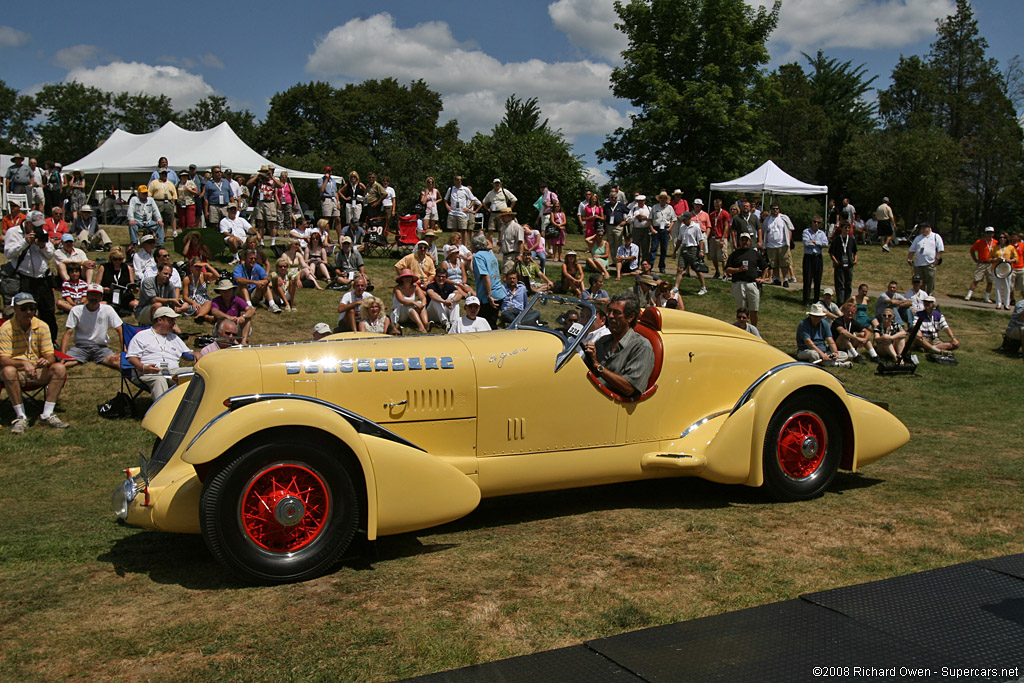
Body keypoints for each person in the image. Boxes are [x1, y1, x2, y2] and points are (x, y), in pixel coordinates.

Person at [1, 292, 70, 432]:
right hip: (17, 373)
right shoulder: (6, 328)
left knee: (59, 368)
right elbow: (3, 359)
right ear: (15, 309)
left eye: (32, 308)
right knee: (8, 371)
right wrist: (23, 364)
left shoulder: (42, 326)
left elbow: (50, 355)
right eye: (24, 308)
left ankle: (47, 414)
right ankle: (20, 417)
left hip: (37, 371)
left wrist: (46, 360)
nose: (28, 312)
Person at [582, 292, 655, 399]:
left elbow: (629, 388)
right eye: (609, 311)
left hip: (615, 406)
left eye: (616, 313)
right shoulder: (602, 341)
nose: (610, 316)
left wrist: (598, 366)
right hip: (590, 397)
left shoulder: (642, 346)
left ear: (630, 317)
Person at [4, 210, 58, 342]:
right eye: (35, 225)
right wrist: (25, 242)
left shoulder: (43, 233)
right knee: (26, 312)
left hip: (43, 279)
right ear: (27, 223)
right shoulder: (14, 232)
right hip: (25, 279)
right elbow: (9, 253)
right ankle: (25, 340)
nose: (38, 228)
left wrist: (42, 246)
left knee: (48, 312)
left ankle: (51, 341)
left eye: (40, 225)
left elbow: (51, 254)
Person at [125, 306, 192, 400]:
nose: (174, 323)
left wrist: (196, 354)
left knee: (197, 372)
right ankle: (164, 412)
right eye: (171, 320)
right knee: (159, 380)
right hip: (151, 371)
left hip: (172, 371)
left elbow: (188, 354)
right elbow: (131, 357)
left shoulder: (174, 337)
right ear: (160, 320)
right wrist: (143, 368)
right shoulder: (142, 336)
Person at [60, 283, 123, 369]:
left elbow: (120, 330)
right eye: (91, 294)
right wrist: (62, 356)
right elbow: (67, 333)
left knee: (119, 363)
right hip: (80, 347)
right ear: (87, 296)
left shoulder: (107, 309)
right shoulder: (76, 310)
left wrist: (124, 352)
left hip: (101, 348)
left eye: (96, 295)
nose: (93, 297)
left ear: (101, 297)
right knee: (61, 366)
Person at [725, 233, 769, 328]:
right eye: (742, 240)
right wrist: (739, 270)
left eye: (746, 240)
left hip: (752, 284)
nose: (744, 242)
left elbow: (765, 267)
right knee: (742, 310)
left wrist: (763, 278)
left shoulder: (755, 253)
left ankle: (753, 330)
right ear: (739, 241)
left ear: (750, 241)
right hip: (738, 284)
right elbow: (727, 269)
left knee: (754, 309)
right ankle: (743, 329)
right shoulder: (735, 254)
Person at [472, 233, 504, 328]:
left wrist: (489, 295)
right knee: (492, 323)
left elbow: (485, 276)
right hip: (499, 293)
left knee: (484, 324)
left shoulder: (478, 256)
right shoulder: (491, 255)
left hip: (488, 297)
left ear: (474, 245)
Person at [672, 212, 707, 296]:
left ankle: (703, 287)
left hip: (693, 249)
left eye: (684, 219)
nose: (683, 221)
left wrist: (701, 250)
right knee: (680, 269)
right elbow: (679, 239)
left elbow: (700, 240)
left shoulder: (695, 227)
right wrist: (675, 250)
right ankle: (676, 287)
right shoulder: (682, 227)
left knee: (696, 269)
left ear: (689, 218)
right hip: (684, 248)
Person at [210, 279, 255, 344]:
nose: (227, 293)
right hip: (222, 328)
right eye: (224, 291)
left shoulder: (237, 299)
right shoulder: (216, 301)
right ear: (220, 292)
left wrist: (243, 317)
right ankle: (230, 340)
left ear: (232, 291)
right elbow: (214, 311)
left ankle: (243, 341)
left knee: (247, 318)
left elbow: (251, 310)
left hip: (235, 327)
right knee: (220, 319)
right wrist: (228, 317)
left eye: (229, 290)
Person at [247, 165, 282, 243]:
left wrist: (271, 176)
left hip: (270, 202)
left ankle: (273, 242)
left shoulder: (273, 180)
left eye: (266, 172)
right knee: (260, 223)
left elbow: (280, 185)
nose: (265, 174)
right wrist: (258, 176)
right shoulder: (259, 180)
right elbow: (248, 183)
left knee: (272, 223)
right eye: (263, 172)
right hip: (260, 202)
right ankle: (261, 242)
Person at [762, 203, 796, 286]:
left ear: (779, 210)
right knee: (774, 264)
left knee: (784, 263)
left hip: (782, 244)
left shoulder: (784, 218)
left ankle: (785, 279)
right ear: (771, 210)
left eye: (777, 209)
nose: (775, 210)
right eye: (773, 209)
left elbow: (790, 229)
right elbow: (764, 231)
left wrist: (789, 242)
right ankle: (777, 279)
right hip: (771, 245)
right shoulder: (767, 220)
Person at [98, 246, 136, 315]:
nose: (117, 261)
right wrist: (104, 289)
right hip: (109, 296)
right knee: (101, 305)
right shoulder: (103, 267)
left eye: (120, 259)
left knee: (136, 304)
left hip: (124, 296)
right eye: (115, 259)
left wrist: (134, 289)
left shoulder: (127, 268)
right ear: (111, 258)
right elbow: (97, 285)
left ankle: (119, 309)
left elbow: (131, 284)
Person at [907, 222, 944, 294]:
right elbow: (912, 249)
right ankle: (921, 295)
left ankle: (930, 296)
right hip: (918, 264)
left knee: (930, 281)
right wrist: (909, 258)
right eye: (922, 228)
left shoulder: (935, 236)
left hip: (929, 263)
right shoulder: (918, 238)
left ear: (929, 228)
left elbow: (940, 249)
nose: (923, 230)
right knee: (920, 282)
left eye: (925, 228)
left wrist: (937, 258)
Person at [801, 216, 829, 306]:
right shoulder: (806, 231)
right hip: (808, 257)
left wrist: (815, 242)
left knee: (817, 280)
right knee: (807, 279)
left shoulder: (822, 233)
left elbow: (826, 244)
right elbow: (806, 243)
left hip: (818, 257)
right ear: (812, 222)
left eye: (818, 223)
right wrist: (818, 243)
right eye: (814, 222)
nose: (816, 224)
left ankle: (816, 300)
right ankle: (806, 300)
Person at [444, 174, 479, 243]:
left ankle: (464, 246)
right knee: (454, 230)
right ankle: (454, 244)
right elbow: (445, 199)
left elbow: (473, 199)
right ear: (454, 181)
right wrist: (447, 206)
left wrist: (468, 208)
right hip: (453, 212)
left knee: (463, 230)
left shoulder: (465, 189)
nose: (459, 181)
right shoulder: (451, 189)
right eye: (457, 179)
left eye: (460, 180)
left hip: (462, 213)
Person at [481, 179, 518, 245]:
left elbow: (514, 199)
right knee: (490, 229)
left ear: (500, 184)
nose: (497, 185)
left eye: (498, 183)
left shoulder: (504, 191)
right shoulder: (490, 193)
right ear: (493, 184)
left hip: (502, 213)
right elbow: (484, 202)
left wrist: (510, 208)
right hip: (493, 213)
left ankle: (501, 244)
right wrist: (488, 209)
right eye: (496, 183)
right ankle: (491, 244)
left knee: (501, 229)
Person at [391, 269, 429, 334]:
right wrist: (414, 303)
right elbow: (401, 300)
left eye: (409, 277)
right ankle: (421, 327)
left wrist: (422, 304)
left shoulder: (415, 287)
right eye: (405, 277)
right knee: (409, 307)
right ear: (402, 279)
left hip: (410, 313)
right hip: (400, 313)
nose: (407, 279)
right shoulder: (397, 288)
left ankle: (425, 323)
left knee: (420, 303)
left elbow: (423, 298)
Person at [829, 220, 858, 304]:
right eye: (846, 228)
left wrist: (855, 260)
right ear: (841, 228)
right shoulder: (837, 240)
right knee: (840, 284)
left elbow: (855, 251)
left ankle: (847, 301)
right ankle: (840, 302)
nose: (847, 229)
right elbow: (831, 252)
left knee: (848, 284)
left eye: (849, 228)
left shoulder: (852, 240)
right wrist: (835, 261)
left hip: (849, 264)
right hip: (840, 265)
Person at [182, 257, 216, 322]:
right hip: (192, 300)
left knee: (208, 303)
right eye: (196, 266)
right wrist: (193, 302)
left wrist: (207, 265)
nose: (198, 268)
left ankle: (199, 316)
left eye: (199, 266)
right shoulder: (187, 279)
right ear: (191, 267)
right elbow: (185, 297)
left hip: (204, 299)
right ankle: (206, 317)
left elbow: (217, 276)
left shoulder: (204, 276)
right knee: (198, 308)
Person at [990, 232, 1017, 310]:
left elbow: (1016, 258)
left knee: (1007, 286)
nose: (1002, 239)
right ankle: (998, 303)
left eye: (1004, 237)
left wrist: (1010, 260)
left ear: (1007, 239)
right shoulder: (995, 248)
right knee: (998, 286)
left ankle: (1006, 304)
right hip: (997, 268)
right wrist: (996, 259)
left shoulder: (1010, 247)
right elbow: (990, 258)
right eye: (1001, 237)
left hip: (1007, 269)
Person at [148, 168, 178, 236]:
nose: (164, 175)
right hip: (158, 202)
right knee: (157, 218)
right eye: (163, 173)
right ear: (159, 174)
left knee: (166, 220)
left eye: (165, 173)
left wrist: (172, 203)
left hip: (168, 203)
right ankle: (154, 234)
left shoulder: (170, 183)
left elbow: (174, 194)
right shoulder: (154, 183)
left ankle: (164, 235)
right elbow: (149, 193)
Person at [708, 198, 731, 279]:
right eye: (715, 206)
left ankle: (725, 273)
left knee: (723, 257)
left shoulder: (725, 214)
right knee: (713, 256)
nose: (716, 207)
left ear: (721, 205)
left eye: (718, 206)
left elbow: (726, 226)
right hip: (713, 237)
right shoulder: (711, 214)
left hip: (721, 237)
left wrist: (723, 238)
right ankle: (717, 271)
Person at [626, 195, 652, 265]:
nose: (641, 203)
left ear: (645, 201)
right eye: (639, 201)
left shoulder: (649, 209)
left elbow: (652, 218)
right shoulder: (634, 209)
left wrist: (645, 217)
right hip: (636, 230)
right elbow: (628, 220)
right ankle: (635, 264)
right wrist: (635, 217)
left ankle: (645, 263)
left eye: (642, 201)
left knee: (645, 248)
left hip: (646, 230)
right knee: (635, 247)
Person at [320, 166, 341, 237]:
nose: (328, 173)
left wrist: (338, 202)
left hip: (334, 199)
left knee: (338, 218)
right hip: (326, 199)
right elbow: (322, 189)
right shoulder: (321, 180)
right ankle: (328, 237)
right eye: (327, 171)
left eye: (329, 171)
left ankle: (339, 237)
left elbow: (336, 192)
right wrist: (326, 180)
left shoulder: (333, 181)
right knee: (327, 219)